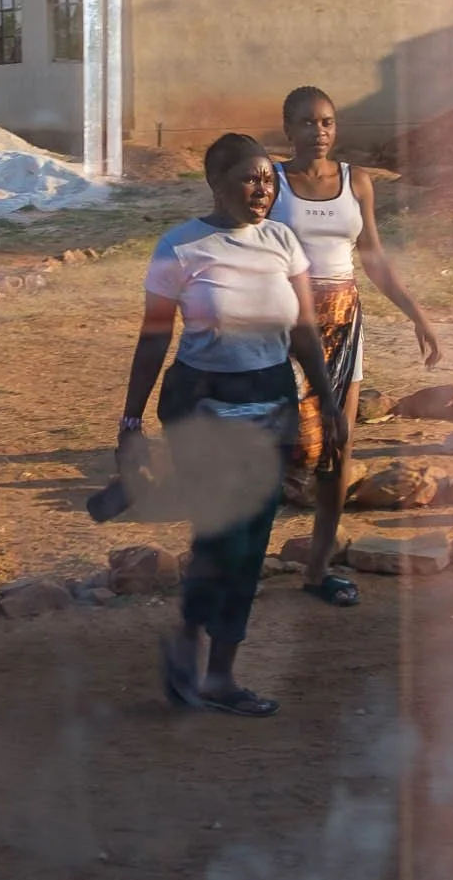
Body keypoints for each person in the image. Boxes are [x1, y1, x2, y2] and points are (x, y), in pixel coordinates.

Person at [118, 133, 344, 716]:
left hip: (270, 402)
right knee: (223, 534)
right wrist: (130, 420)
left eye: (268, 180)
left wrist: (328, 402)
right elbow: (153, 338)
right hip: (205, 406)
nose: (262, 189)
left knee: (249, 541)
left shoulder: (283, 242)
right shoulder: (181, 247)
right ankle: (198, 655)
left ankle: (211, 667)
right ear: (215, 184)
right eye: (249, 179)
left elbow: (304, 333)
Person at [271, 85, 441, 607]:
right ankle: (236, 566)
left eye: (326, 122)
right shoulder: (269, 182)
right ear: (287, 128)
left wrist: (418, 315)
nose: (317, 132)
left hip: (346, 321)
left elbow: (373, 256)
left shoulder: (357, 182)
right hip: (286, 322)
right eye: (305, 122)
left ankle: (318, 569)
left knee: (340, 447)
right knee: (284, 446)